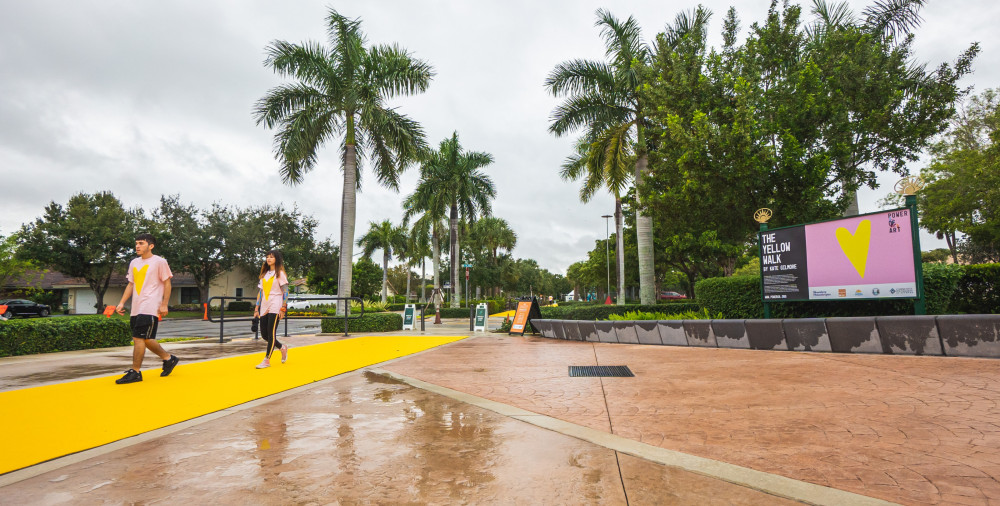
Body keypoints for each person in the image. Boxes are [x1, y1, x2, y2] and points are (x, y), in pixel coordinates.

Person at [114, 233, 179, 384]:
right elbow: (131, 284)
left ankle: (135, 372)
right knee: (147, 339)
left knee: (138, 338)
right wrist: (122, 302)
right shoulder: (134, 263)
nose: (137, 246)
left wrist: (164, 303)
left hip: (151, 305)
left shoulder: (160, 262)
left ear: (151, 246)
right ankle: (168, 359)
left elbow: (167, 283)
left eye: (141, 243)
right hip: (136, 306)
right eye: (136, 243)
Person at [253, 250, 289, 369]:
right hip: (264, 305)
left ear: (276, 259)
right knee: (264, 335)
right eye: (267, 257)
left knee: (271, 332)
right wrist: (256, 308)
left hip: (276, 304)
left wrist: (283, 308)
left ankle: (266, 360)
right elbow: (261, 292)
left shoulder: (280, 274)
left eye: (271, 257)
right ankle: (282, 347)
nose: (269, 259)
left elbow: (286, 291)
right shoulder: (264, 274)